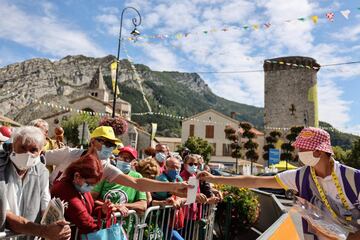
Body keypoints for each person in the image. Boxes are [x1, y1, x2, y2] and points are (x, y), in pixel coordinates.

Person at [198, 127, 360, 240]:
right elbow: (255, 180)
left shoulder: (355, 178)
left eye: (303, 149)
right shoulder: (300, 176)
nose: (299, 154)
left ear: (319, 151)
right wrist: (214, 178)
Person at [45, 126, 191, 194]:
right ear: (93, 141)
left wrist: (173, 186)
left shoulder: (106, 168)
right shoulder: (69, 154)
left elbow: (137, 183)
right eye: (106, 143)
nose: (110, 147)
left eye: (112, 144)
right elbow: (39, 159)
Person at [0, 126, 71, 239]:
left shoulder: (41, 172)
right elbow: (6, 215)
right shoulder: (1, 170)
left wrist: (60, 228)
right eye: (22, 148)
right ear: (13, 147)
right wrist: (44, 231)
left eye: (33, 150)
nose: (27, 154)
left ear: (40, 152)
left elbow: (46, 206)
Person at [51, 153, 114, 238]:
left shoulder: (79, 187)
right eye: (89, 184)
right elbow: (85, 221)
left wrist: (102, 210)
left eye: (94, 185)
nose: (91, 188)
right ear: (77, 176)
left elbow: (89, 208)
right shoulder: (64, 190)